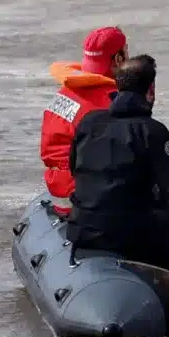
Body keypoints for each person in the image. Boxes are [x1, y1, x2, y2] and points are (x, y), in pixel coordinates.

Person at [66, 54, 169, 279]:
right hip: (128, 236)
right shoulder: (152, 131)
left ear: (118, 85)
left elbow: (74, 169)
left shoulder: (88, 122)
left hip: (82, 230)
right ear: (151, 90)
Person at [40, 26, 128, 214]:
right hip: (84, 199)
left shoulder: (66, 92)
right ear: (119, 59)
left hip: (59, 191)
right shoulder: (110, 102)